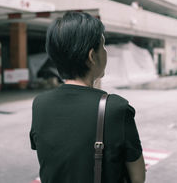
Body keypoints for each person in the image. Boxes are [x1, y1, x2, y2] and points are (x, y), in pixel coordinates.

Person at [30, 12, 145, 183]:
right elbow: (138, 177)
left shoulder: (40, 104)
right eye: (103, 46)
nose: (105, 52)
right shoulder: (116, 109)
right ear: (92, 56)